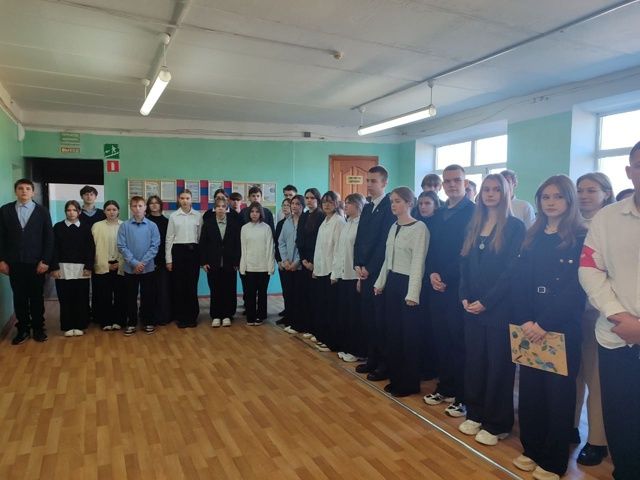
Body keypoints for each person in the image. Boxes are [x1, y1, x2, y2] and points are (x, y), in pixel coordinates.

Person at [511, 175, 586, 480]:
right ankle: (532, 448)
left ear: (569, 201)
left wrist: (544, 323)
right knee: (531, 393)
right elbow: (519, 282)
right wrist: (527, 320)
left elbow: (576, 288)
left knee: (558, 397)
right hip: (529, 326)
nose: (551, 202)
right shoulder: (532, 235)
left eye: (557, 197)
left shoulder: (580, 237)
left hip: (560, 327)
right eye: (545, 197)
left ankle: (554, 461)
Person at [579, 140, 640, 480]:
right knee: (622, 420)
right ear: (629, 171)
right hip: (616, 336)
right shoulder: (607, 218)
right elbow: (590, 269)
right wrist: (620, 315)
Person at [457, 175, 525, 446]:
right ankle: (475, 412)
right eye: (486, 189)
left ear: (505, 193)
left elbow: (512, 271)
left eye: (496, 189)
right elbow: (464, 264)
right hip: (472, 307)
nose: (490, 194)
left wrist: (487, 301)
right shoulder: (473, 225)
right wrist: (464, 295)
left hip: (499, 309)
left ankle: (497, 423)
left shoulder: (515, 227)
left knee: (499, 366)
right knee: (475, 362)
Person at [423, 164, 475, 418]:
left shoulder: (474, 212)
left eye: (457, 180)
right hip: (437, 286)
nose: (452, 185)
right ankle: (445, 387)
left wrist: (446, 277)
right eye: (448, 181)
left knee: (459, 343)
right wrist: (433, 273)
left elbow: (467, 253)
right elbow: (432, 248)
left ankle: (462, 397)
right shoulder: (440, 213)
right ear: (442, 185)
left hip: (459, 287)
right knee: (441, 339)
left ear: (465, 183)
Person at [573, 172, 614, 466]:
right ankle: (569, 425)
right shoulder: (571, 223)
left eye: (591, 190)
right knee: (571, 374)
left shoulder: (610, 225)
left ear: (606, 193)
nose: (584, 195)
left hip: (598, 313)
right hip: (567, 312)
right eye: (580, 190)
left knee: (595, 378)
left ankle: (597, 440)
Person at [374, 187, 428, 397]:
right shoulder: (393, 226)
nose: (393, 205)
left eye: (397, 201)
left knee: (409, 336)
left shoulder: (419, 228)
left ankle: (409, 382)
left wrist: (413, 293)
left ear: (409, 203)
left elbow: (418, 263)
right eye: (392, 201)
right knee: (393, 333)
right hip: (393, 282)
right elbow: (387, 259)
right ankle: (396, 378)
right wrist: (380, 282)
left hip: (408, 284)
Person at [354, 165, 396, 382]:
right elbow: (360, 238)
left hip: (379, 273)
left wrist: (369, 267)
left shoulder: (389, 207)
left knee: (381, 321)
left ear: (384, 183)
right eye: (367, 180)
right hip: (364, 272)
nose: (369, 185)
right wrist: (358, 264)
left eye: (374, 181)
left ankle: (384, 364)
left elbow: (384, 242)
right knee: (368, 319)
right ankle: (372, 358)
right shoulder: (368, 207)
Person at [0, 179, 54, 344]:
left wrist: (45, 261)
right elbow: (1, 237)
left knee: (36, 296)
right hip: (14, 262)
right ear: (15, 191)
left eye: (28, 188)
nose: (24, 191)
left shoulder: (42, 211)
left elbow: (49, 238)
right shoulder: (5, 210)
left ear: (33, 192)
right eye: (20, 188)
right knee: (19, 297)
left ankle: (38, 328)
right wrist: (1, 260)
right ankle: (22, 329)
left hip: (36, 263)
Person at [50, 200, 94, 337]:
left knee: (81, 297)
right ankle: (68, 326)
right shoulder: (58, 227)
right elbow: (53, 248)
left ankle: (81, 325)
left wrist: (89, 266)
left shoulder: (85, 227)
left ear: (79, 212)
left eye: (74, 210)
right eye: (69, 210)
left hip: (82, 268)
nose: (71, 213)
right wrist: (54, 267)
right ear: (65, 212)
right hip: (62, 268)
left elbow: (90, 248)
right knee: (65, 298)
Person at [117, 196, 160, 336]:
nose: (137, 208)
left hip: (148, 268)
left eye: (140, 205)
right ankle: (131, 323)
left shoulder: (152, 226)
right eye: (134, 206)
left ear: (145, 207)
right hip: (130, 269)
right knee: (130, 297)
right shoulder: (124, 226)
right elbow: (121, 246)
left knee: (148, 296)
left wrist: (143, 263)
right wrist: (135, 263)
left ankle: (148, 321)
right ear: (131, 208)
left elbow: (155, 246)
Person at [332, 193, 366, 362]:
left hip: (355, 276)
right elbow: (339, 251)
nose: (345, 206)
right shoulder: (347, 224)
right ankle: (347, 346)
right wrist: (335, 273)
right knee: (345, 314)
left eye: (349, 203)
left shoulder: (362, 224)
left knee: (355, 316)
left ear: (358, 205)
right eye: (345, 203)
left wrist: (360, 278)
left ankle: (357, 350)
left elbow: (361, 252)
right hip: (344, 275)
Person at [199, 197, 241, 327]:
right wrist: (204, 262)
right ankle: (216, 315)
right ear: (214, 209)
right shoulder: (208, 223)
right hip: (213, 262)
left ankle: (228, 315)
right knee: (215, 289)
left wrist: (237, 261)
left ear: (227, 208)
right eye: (218, 206)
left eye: (223, 206)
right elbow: (203, 244)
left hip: (230, 262)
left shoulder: (233, 223)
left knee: (229, 289)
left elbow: (238, 244)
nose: (221, 209)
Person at [312, 191, 345, 352]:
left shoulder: (339, 221)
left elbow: (339, 249)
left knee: (332, 308)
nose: (326, 205)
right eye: (324, 202)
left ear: (336, 204)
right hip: (321, 269)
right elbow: (318, 248)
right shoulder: (324, 221)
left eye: (330, 202)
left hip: (332, 272)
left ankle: (332, 341)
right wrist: (315, 268)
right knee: (323, 306)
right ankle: (323, 336)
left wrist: (335, 272)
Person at [166, 189, 202, 328]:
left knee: (192, 286)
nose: (185, 201)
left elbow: (200, 237)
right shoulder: (173, 216)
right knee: (179, 286)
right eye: (182, 198)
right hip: (178, 252)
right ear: (178, 200)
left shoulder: (198, 215)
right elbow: (169, 238)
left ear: (191, 200)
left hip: (193, 252)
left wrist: (201, 258)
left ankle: (192, 317)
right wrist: (169, 259)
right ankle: (181, 317)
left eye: (187, 198)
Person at [91, 200, 126, 331]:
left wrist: (119, 263)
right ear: (104, 211)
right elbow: (93, 247)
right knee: (104, 295)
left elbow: (128, 246)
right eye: (108, 210)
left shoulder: (124, 225)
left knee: (120, 295)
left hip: (120, 264)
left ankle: (119, 320)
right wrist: (105, 264)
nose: (111, 212)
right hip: (103, 264)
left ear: (118, 211)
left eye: (114, 209)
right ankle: (105, 321)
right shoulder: (97, 226)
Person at [296, 188, 325, 337]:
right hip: (305, 260)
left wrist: (313, 263)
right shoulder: (304, 215)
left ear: (317, 200)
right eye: (307, 198)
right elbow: (299, 239)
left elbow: (320, 243)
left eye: (312, 198)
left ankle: (315, 329)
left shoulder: (321, 216)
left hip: (316, 261)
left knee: (315, 298)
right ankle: (306, 326)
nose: (309, 200)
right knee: (305, 296)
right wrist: (303, 260)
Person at [239, 202, 275, 326]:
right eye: (252, 211)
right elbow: (243, 249)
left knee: (262, 293)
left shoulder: (266, 228)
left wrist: (270, 267)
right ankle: (251, 316)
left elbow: (270, 248)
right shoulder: (244, 228)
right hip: (249, 266)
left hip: (263, 267)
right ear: (249, 213)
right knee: (250, 293)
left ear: (261, 213)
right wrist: (242, 266)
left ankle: (261, 316)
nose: (254, 214)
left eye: (257, 211)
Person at [279, 194, 303, 334]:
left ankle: (298, 323)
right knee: (289, 294)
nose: (294, 206)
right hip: (288, 265)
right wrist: (285, 260)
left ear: (302, 206)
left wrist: (296, 262)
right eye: (292, 203)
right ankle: (290, 320)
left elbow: (304, 245)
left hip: (300, 266)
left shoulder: (305, 221)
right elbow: (281, 242)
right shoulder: (287, 221)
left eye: (297, 204)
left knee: (299, 296)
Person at [146, 195, 171, 325]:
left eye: (156, 203)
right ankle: (149, 316)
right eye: (151, 203)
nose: (154, 205)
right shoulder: (145, 221)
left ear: (161, 205)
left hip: (163, 260)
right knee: (149, 290)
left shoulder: (167, 221)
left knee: (163, 290)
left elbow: (169, 242)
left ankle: (164, 316)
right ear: (148, 206)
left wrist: (168, 260)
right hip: (148, 260)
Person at [274, 198, 292, 323]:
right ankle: (287, 311)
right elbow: (278, 243)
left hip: (293, 263)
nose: (285, 207)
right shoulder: (280, 223)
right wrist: (279, 260)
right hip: (282, 262)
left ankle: (291, 314)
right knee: (285, 290)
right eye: (283, 205)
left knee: (292, 291)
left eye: (288, 205)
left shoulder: (296, 221)